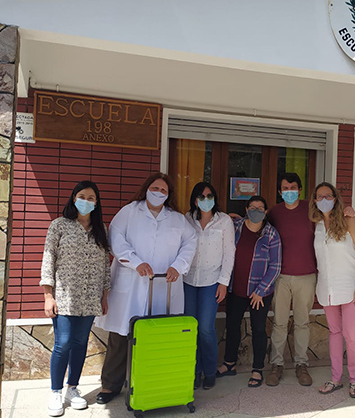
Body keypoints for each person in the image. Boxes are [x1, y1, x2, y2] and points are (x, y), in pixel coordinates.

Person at [94, 172, 197, 404]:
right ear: (146, 189)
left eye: (163, 190)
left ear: (169, 195)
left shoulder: (177, 219)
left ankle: (153, 384)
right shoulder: (129, 212)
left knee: (157, 337)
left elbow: (190, 242)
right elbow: (116, 237)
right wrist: (134, 261)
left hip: (164, 286)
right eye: (155, 188)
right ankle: (110, 386)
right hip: (131, 284)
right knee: (120, 336)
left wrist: (178, 266)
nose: (158, 193)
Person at [40, 181, 111, 417]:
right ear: (73, 199)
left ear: (96, 202)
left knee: (81, 344)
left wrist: (104, 296)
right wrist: (48, 296)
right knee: (63, 343)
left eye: (91, 197)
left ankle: (73, 388)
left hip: (90, 297)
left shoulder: (102, 230)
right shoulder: (59, 226)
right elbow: (48, 260)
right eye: (82, 196)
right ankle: (56, 391)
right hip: (64, 297)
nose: (86, 201)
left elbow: (105, 266)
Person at [216, 196, 281, 388]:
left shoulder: (271, 234)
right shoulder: (235, 227)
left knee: (259, 329)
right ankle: (229, 363)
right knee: (232, 325)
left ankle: (257, 369)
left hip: (260, 293)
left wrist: (261, 290)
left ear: (266, 212)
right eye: (252, 207)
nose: (256, 211)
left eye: (260, 208)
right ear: (246, 209)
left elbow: (275, 266)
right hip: (236, 288)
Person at [309, 182, 355, 398]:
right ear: (315, 201)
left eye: (328, 195)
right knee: (334, 333)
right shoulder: (317, 226)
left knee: (351, 335)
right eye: (319, 196)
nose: (324, 199)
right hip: (327, 289)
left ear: (335, 198)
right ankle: (335, 379)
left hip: (351, 288)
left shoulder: (349, 220)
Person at [266, 172, 318, 387]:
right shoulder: (274, 213)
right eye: (285, 188)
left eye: (293, 187)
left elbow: (331, 217)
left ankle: (301, 364)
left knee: (302, 322)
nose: (289, 191)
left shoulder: (310, 208)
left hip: (306, 275)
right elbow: (257, 225)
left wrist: (348, 211)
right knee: (279, 323)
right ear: (280, 192)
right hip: (280, 276)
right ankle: (276, 365)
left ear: (300, 189)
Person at [184, 182, 235, 390]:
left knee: (205, 328)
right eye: (201, 196)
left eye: (209, 196)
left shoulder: (224, 221)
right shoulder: (186, 219)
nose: (206, 200)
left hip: (211, 282)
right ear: (195, 200)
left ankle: (209, 371)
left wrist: (224, 282)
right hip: (187, 281)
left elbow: (229, 252)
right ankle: (194, 371)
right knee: (189, 328)